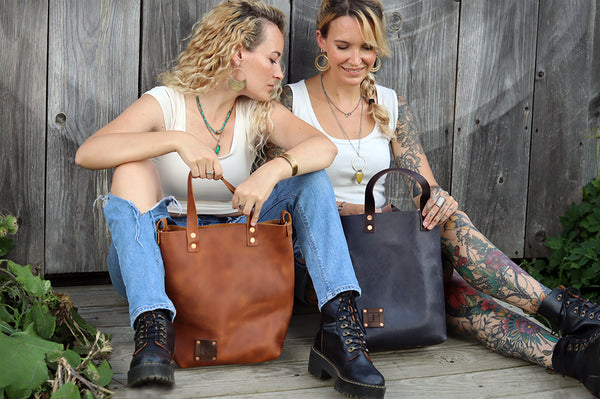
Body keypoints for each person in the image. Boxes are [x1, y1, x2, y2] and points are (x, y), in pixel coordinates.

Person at [264, 0, 600, 396]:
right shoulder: (289, 101)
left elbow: (423, 183)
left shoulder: (390, 104)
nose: (357, 59)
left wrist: (438, 199)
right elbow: (284, 195)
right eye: (344, 46)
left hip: (383, 241)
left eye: (367, 48)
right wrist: (353, 210)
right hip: (324, 256)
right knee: (446, 294)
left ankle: (574, 354)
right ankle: (580, 320)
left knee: (449, 230)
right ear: (321, 41)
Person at [75, 1, 387, 397]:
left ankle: (340, 330)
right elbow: (88, 153)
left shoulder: (258, 109)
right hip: (162, 262)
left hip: (233, 256)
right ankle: (153, 331)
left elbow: (322, 147)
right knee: (131, 169)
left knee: (310, 179)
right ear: (239, 52)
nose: (279, 72)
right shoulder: (166, 103)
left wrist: (270, 172)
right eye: (273, 59)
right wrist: (176, 140)